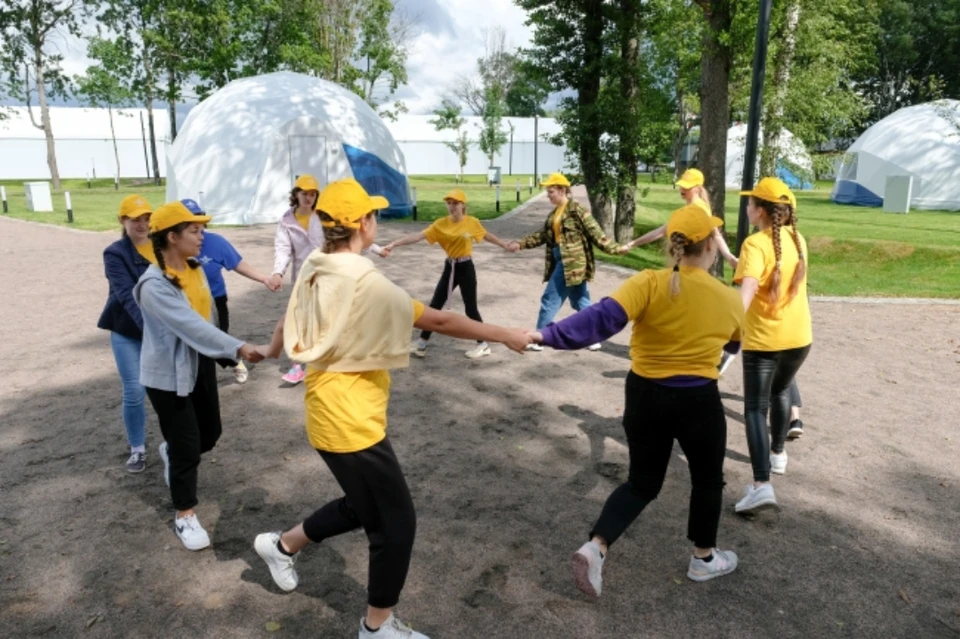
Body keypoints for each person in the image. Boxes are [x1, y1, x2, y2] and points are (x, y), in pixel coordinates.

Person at [251, 179, 531, 639]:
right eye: (373, 215)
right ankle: (377, 626)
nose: (375, 221)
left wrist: (270, 349)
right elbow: (436, 319)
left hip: (330, 411)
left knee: (366, 505)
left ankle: (283, 546)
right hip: (349, 423)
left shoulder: (317, 265)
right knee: (396, 523)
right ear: (363, 223)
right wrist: (504, 334)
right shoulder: (363, 280)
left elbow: (287, 317)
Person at [528, 203, 744, 594]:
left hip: (645, 396)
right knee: (708, 480)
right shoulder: (728, 299)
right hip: (699, 400)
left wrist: (545, 335)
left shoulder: (648, 282)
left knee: (642, 482)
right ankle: (703, 558)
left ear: (672, 246)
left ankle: (596, 546)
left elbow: (598, 321)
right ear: (711, 246)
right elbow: (734, 342)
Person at [132, 201, 265, 550]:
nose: (202, 236)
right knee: (188, 445)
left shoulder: (196, 269)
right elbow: (188, 325)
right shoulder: (153, 285)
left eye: (201, 229)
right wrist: (238, 347)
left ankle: (171, 449)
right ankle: (184, 515)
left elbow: (207, 320)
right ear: (171, 237)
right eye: (194, 230)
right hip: (166, 375)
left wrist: (223, 355)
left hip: (199, 364)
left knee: (210, 434)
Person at [731, 177, 812, 514]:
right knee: (781, 392)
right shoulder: (798, 238)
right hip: (800, 338)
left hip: (765, 341)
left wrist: (724, 330)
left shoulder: (755, 244)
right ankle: (778, 454)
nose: (746, 207)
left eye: (750, 203)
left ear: (761, 211)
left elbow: (745, 295)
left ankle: (761, 484)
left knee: (754, 408)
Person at [267, 175, 386, 385]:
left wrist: (376, 249)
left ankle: (331, 355)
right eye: (304, 193)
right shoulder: (286, 220)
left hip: (331, 271)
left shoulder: (323, 215)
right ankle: (297, 365)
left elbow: (346, 234)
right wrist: (278, 272)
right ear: (296, 194)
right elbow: (283, 248)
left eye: (313, 194)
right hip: (305, 275)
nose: (309, 198)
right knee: (301, 318)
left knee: (331, 315)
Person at [383, 189, 514, 359]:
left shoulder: (471, 222)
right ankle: (421, 344)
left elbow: (486, 236)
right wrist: (394, 244)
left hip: (466, 268)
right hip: (450, 267)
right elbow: (418, 236)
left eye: (455, 203)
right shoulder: (440, 224)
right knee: (435, 306)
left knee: (471, 308)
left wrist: (504, 245)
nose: (451, 207)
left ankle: (483, 344)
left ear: (463, 205)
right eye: (449, 203)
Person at [506, 173, 630, 352]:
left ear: (563, 190)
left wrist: (617, 249)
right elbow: (543, 235)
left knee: (550, 298)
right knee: (580, 302)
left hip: (571, 264)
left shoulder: (576, 210)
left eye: (551, 191)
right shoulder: (554, 213)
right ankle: (592, 337)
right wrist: (520, 243)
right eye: (548, 191)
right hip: (560, 259)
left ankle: (538, 338)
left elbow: (596, 233)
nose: (548, 195)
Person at [180, 198, 279, 384]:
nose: (198, 225)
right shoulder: (173, 247)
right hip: (186, 302)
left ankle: (234, 361)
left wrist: (264, 278)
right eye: (190, 221)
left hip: (215, 300)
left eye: (199, 218)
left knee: (218, 338)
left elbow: (237, 264)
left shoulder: (216, 242)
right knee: (195, 343)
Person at [97, 195, 156, 473]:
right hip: (128, 331)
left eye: (146, 218)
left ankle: (175, 444)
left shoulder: (163, 245)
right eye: (135, 219)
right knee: (134, 390)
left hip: (161, 333)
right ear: (122, 220)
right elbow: (127, 296)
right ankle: (137, 448)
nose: (142, 224)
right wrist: (150, 329)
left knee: (169, 389)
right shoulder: (115, 253)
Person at [626, 168, 738, 268]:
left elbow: (716, 234)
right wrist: (632, 244)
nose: (682, 189)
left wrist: (729, 257)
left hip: (693, 262)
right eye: (681, 185)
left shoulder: (699, 209)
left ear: (698, 189)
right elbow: (661, 231)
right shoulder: (691, 208)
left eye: (687, 186)